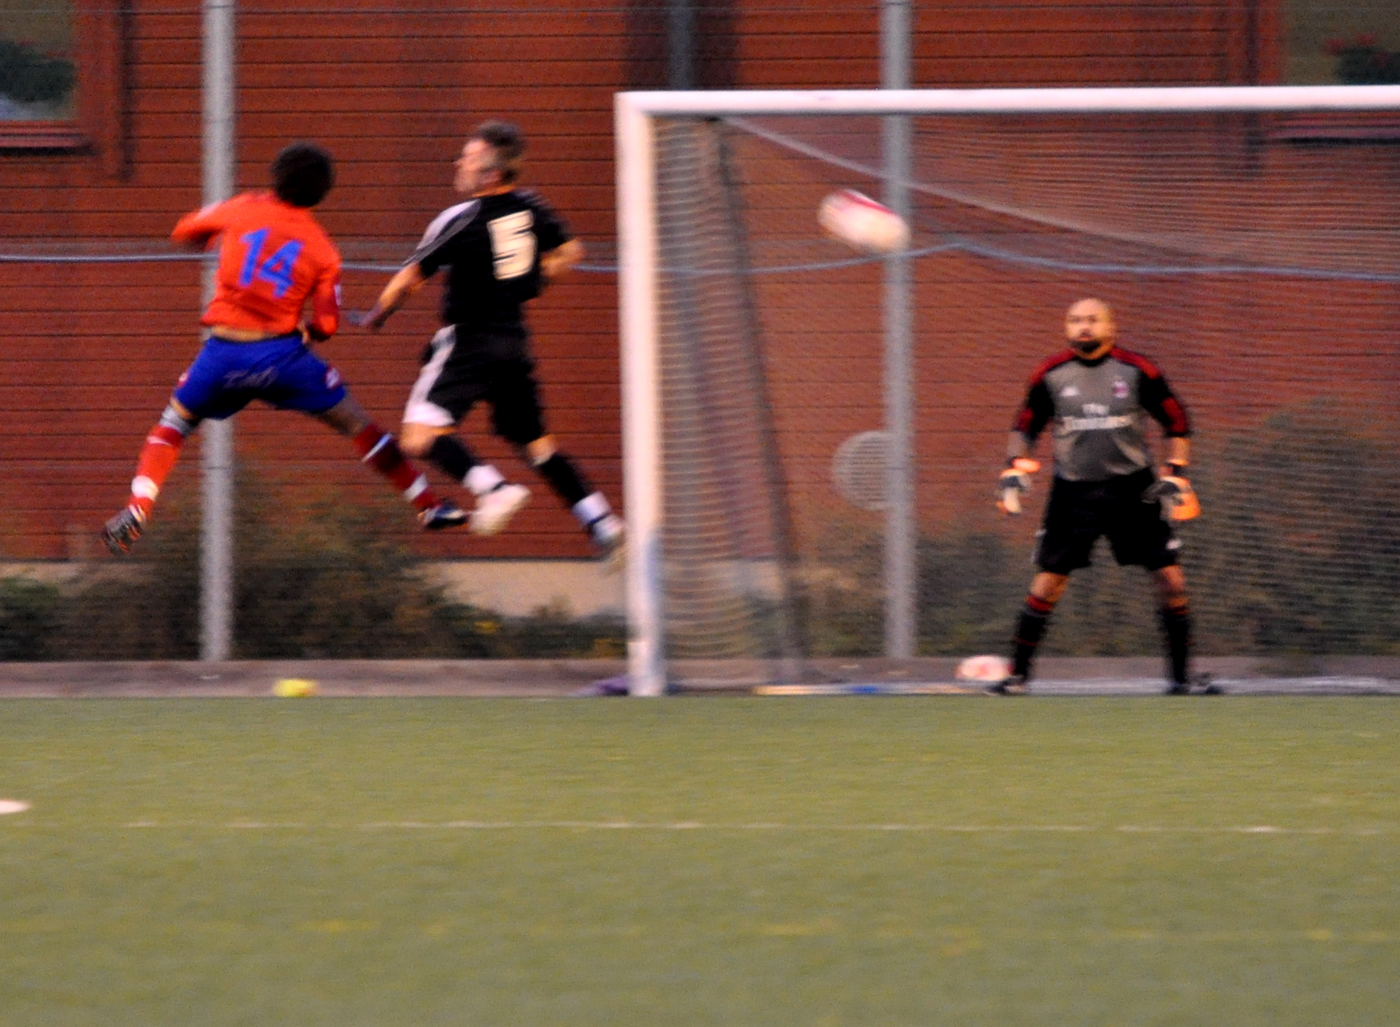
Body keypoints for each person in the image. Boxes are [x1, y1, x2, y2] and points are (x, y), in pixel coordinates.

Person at [102, 142, 466, 555]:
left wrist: (216, 238)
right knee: (358, 425)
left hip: (222, 354)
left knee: (172, 426)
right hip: (282, 359)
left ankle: (138, 506)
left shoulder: (242, 208)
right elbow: (327, 324)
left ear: (275, 176)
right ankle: (428, 505)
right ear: (322, 193)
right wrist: (309, 330)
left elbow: (184, 230)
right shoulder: (323, 250)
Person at [352, 121, 624, 558]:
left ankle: (493, 489)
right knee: (537, 445)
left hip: (469, 340)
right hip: (513, 342)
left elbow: (409, 280)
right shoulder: (532, 207)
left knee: (420, 434)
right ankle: (600, 520)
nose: (459, 163)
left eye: (469, 158)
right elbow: (571, 252)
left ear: (492, 174)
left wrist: (375, 316)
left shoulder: (461, 218)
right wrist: (533, 280)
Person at [993, 297, 1216, 696]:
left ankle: (1182, 679)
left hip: (1135, 490)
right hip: (1073, 492)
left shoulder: (1138, 370)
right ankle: (1016, 678)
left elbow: (1177, 421)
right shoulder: (1049, 374)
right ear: (1066, 328)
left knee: (1171, 580)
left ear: (1111, 327)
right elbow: (1025, 427)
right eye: (1075, 320)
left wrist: (1176, 472)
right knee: (1047, 585)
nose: (1084, 327)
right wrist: (1013, 467)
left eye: (1093, 320)